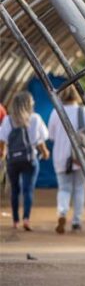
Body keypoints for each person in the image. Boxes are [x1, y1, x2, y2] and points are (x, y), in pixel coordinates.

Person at [0, 92, 49, 231]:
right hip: (30, 159)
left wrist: (3, 152)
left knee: (14, 190)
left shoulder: (8, 120)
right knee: (28, 190)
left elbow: (2, 140)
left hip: (12, 160)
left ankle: (15, 220)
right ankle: (26, 219)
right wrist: (45, 153)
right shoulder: (35, 119)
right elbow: (40, 141)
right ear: (29, 104)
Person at [47, 88, 85, 233]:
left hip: (61, 156)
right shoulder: (82, 112)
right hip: (79, 157)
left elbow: (51, 136)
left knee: (64, 188)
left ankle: (62, 213)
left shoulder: (56, 112)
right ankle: (77, 222)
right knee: (79, 188)